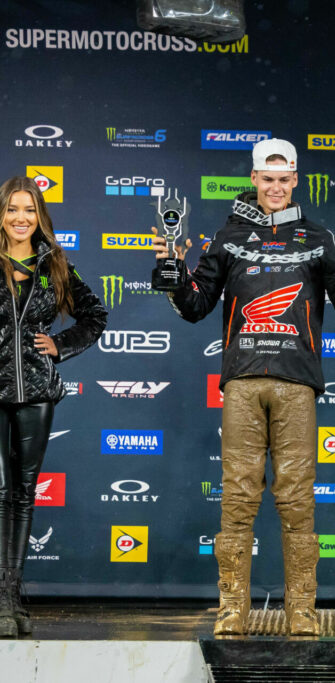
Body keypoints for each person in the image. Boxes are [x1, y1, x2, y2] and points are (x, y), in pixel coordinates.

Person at [151, 139, 335, 636]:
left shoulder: (318, 237)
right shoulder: (227, 237)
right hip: (241, 384)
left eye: (285, 180)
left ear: (296, 181)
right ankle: (232, 609)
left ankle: (301, 610)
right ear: (255, 181)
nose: (276, 187)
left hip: (297, 383)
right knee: (238, 498)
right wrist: (173, 273)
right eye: (268, 179)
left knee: (297, 497)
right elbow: (196, 305)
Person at [0, 176, 106, 636]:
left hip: (37, 395)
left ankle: (8, 599)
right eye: (11, 209)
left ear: (40, 216)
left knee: (21, 495)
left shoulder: (56, 263)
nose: (20, 218)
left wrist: (60, 346)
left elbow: (96, 316)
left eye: (29, 210)